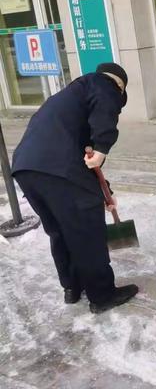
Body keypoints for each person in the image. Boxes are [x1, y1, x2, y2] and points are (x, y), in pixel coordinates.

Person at [12, 63, 138, 314]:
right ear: (119, 86)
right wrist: (102, 147)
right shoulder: (101, 84)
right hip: (59, 169)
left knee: (59, 230)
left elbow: (83, 159)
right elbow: (93, 146)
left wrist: (105, 192)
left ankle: (72, 286)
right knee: (86, 232)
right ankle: (102, 295)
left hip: (27, 167)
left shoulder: (69, 99)